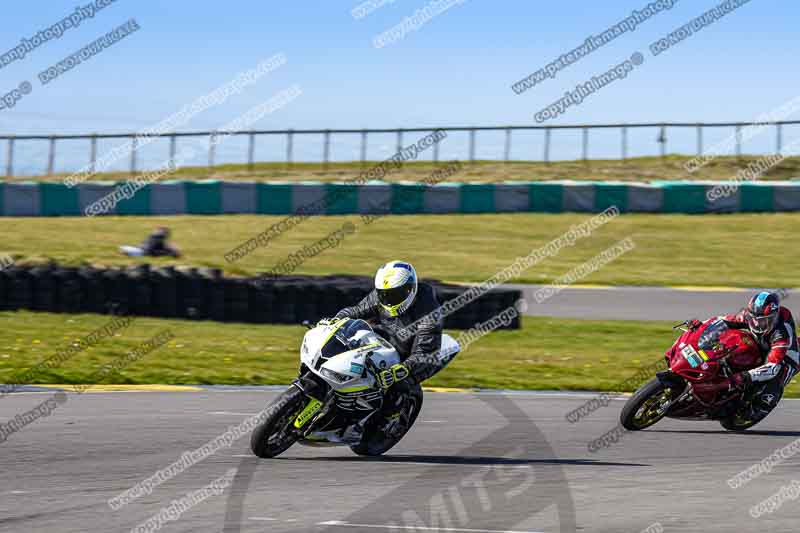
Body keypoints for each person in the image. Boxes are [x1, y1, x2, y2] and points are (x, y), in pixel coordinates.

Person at [333, 260, 453, 391]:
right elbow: (356, 310)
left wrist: (401, 370)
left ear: (411, 289)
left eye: (396, 295)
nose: (389, 300)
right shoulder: (382, 295)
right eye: (385, 295)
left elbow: (424, 351)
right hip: (387, 338)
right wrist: (337, 319)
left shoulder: (429, 312)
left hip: (411, 352)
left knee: (398, 385)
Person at [688, 291, 798, 417]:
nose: (757, 324)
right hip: (762, 343)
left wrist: (746, 376)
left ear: (774, 317)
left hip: (785, 356)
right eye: (754, 319)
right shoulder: (749, 315)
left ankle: (759, 409)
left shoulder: (782, 334)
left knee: (777, 375)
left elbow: (772, 366)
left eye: (763, 321)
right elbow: (722, 321)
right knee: (733, 339)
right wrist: (701, 325)